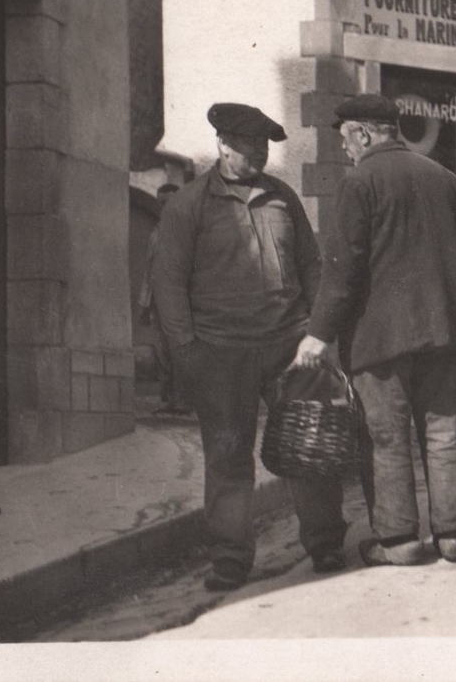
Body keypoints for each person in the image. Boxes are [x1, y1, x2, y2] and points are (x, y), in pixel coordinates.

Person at [152, 103, 347, 591]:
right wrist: (187, 350)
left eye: (263, 145)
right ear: (222, 144)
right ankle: (230, 558)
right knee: (228, 456)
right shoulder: (188, 206)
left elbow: (311, 265)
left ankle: (324, 541)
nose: (259, 153)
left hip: (289, 346)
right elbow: (168, 284)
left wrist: (318, 331)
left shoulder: (282, 197)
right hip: (221, 352)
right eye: (248, 144)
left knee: (309, 445)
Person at [295, 94, 456, 566]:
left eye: (346, 140)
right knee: (446, 431)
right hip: (444, 332)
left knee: (385, 438)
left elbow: (342, 270)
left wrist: (319, 333)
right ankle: (455, 534)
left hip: (379, 338)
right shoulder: (446, 178)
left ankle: (399, 540)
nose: (345, 150)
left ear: (363, 134)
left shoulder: (359, 182)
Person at [137, 182, 188, 414]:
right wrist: (145, 303)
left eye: (169, 202)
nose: (165, 207)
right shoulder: (157, 232)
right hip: (158, 300)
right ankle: (170, 399)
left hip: (180, 301)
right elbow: (150, 268)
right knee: (162, 350)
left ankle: (183, 400)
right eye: (161, 202)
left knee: (180, 350)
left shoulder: (187, 231)